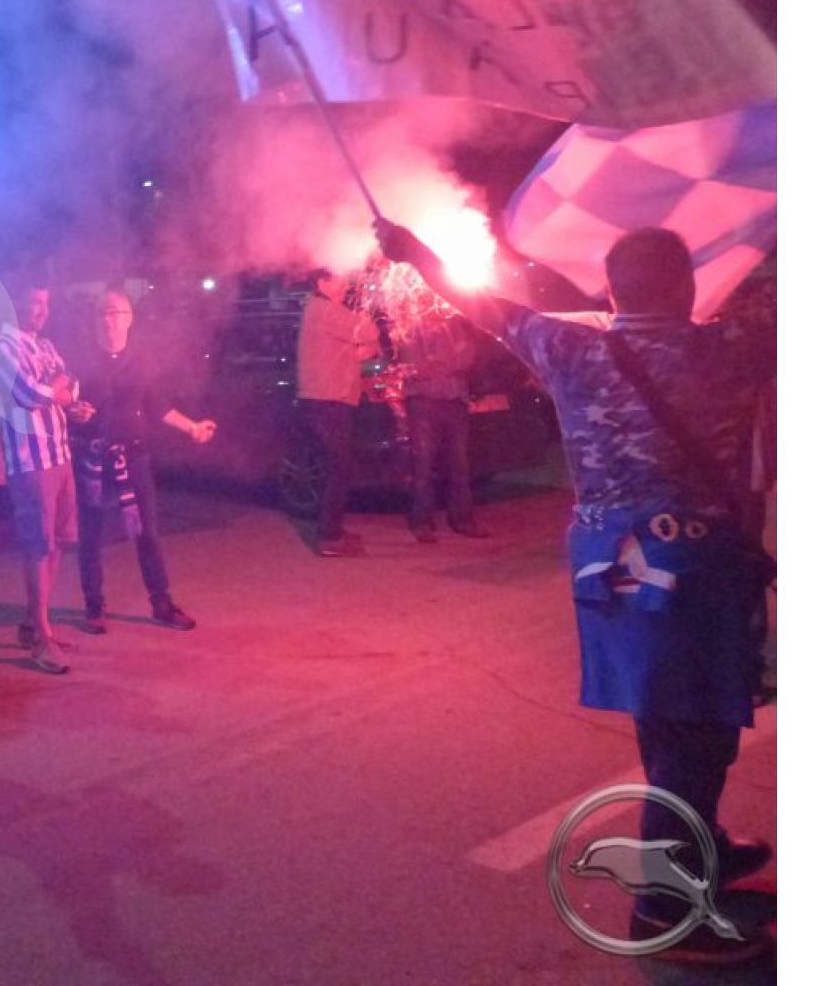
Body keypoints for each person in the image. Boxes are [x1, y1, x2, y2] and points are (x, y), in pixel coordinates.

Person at [377, 220, 775, 967]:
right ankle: (664, 909)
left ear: (611, 291)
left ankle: (703, 848)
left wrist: (412, 251)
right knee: (696, 735)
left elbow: (477, 302)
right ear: (688, 287)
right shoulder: (731, 346)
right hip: (694, 570)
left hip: (609, 571)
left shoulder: (568, 347)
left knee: (669, 722)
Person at [67, 289, 213, 634]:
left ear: (129, 319)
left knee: (147, 532)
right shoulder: (81, 361)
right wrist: (74, 412)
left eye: (115, 313)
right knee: (91, 535)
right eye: (102, 313)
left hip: (134, 456)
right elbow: (65, 404)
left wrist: (192, 427)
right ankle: (94, 607)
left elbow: (158, 406)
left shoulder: (142, 361)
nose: (108, 320)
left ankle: (161, 603)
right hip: (93, 458)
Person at [0, 273, 79, 674]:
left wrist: (58, 391)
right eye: (33, 302)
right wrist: (54, 389)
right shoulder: (2, 346)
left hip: (60, 456)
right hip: (31, 463)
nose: (40, 311)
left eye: (45, 303)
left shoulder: (46, 345)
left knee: (56, 543)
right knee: (38, 547)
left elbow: (72, 384)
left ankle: (35, 623)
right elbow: (28, 394)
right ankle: (40, 638)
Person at [294, 270, 379, 556]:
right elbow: (368, 332)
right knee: (339, 469)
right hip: (328, 401)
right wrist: (365, 324)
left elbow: (363, 348)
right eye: (338, 280)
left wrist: (363, 346)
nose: (346, 285)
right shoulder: (326, 310)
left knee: (337, 468)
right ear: (322, 284)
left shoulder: (322, 311)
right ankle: (329, 537)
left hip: (328, 400)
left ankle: (333, 530)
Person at [393, 297, 488, 543]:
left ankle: (463, 519)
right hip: (423, 402)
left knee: (460, 464)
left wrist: (438, 363)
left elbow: (468, 357)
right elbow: (414, 367)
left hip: (455, 400)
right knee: (423, 464)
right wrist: (449, 362)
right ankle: (421, 521)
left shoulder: (455, 323)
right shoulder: (410, 327)